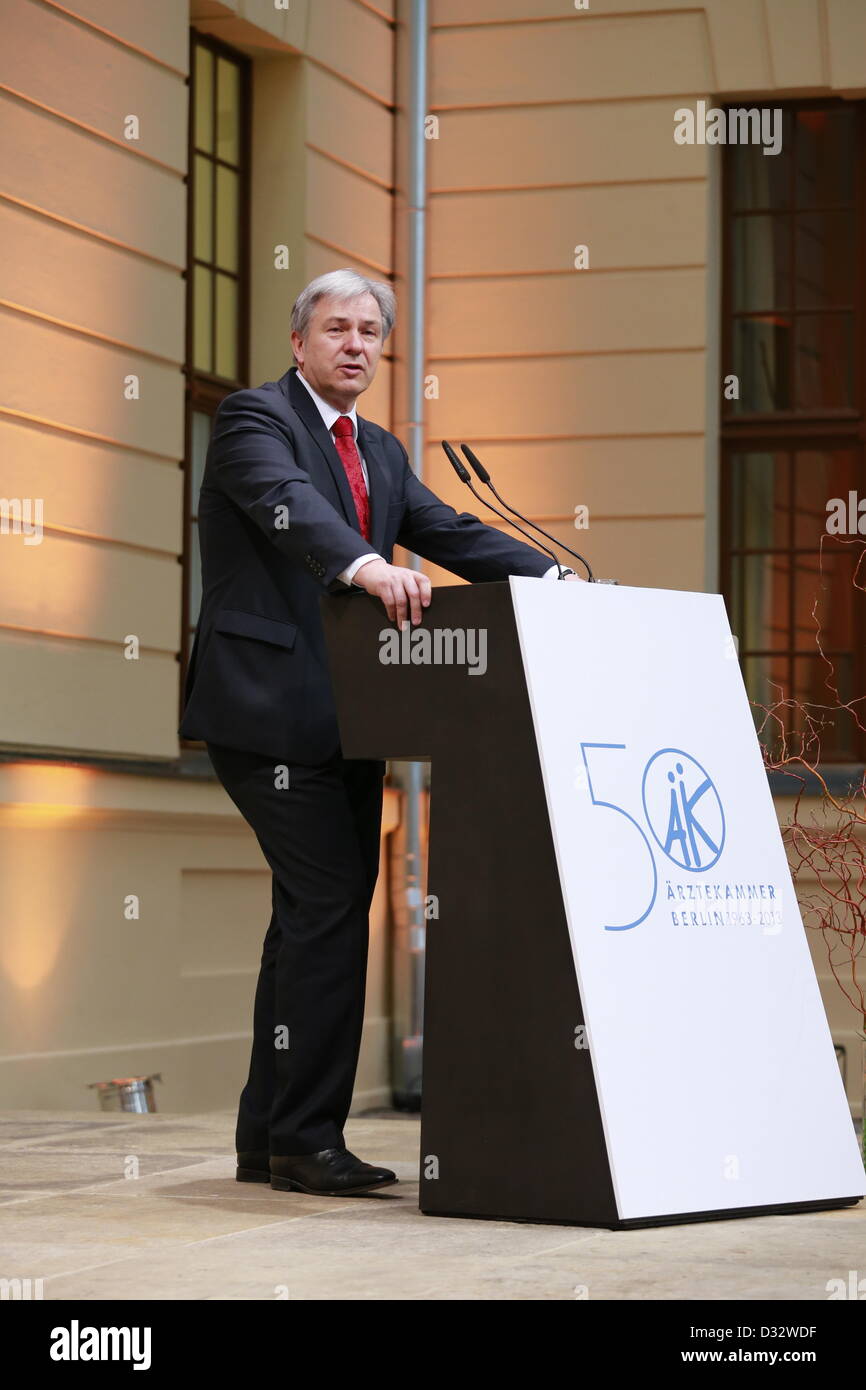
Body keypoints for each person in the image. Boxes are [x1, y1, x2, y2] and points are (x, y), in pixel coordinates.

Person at [179, 269, 579, 1197]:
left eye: (370, 332)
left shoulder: (383, 451)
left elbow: (447, 530)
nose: (356, 345)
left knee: (305, 919)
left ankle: (267, 1135)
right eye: (337, 330)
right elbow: (292, 510)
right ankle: (309, 1143)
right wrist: (364, 564)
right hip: (265, 714)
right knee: (327, 911)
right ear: (299, 342)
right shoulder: (253, 421)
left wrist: (555, 581)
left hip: (352, 720)